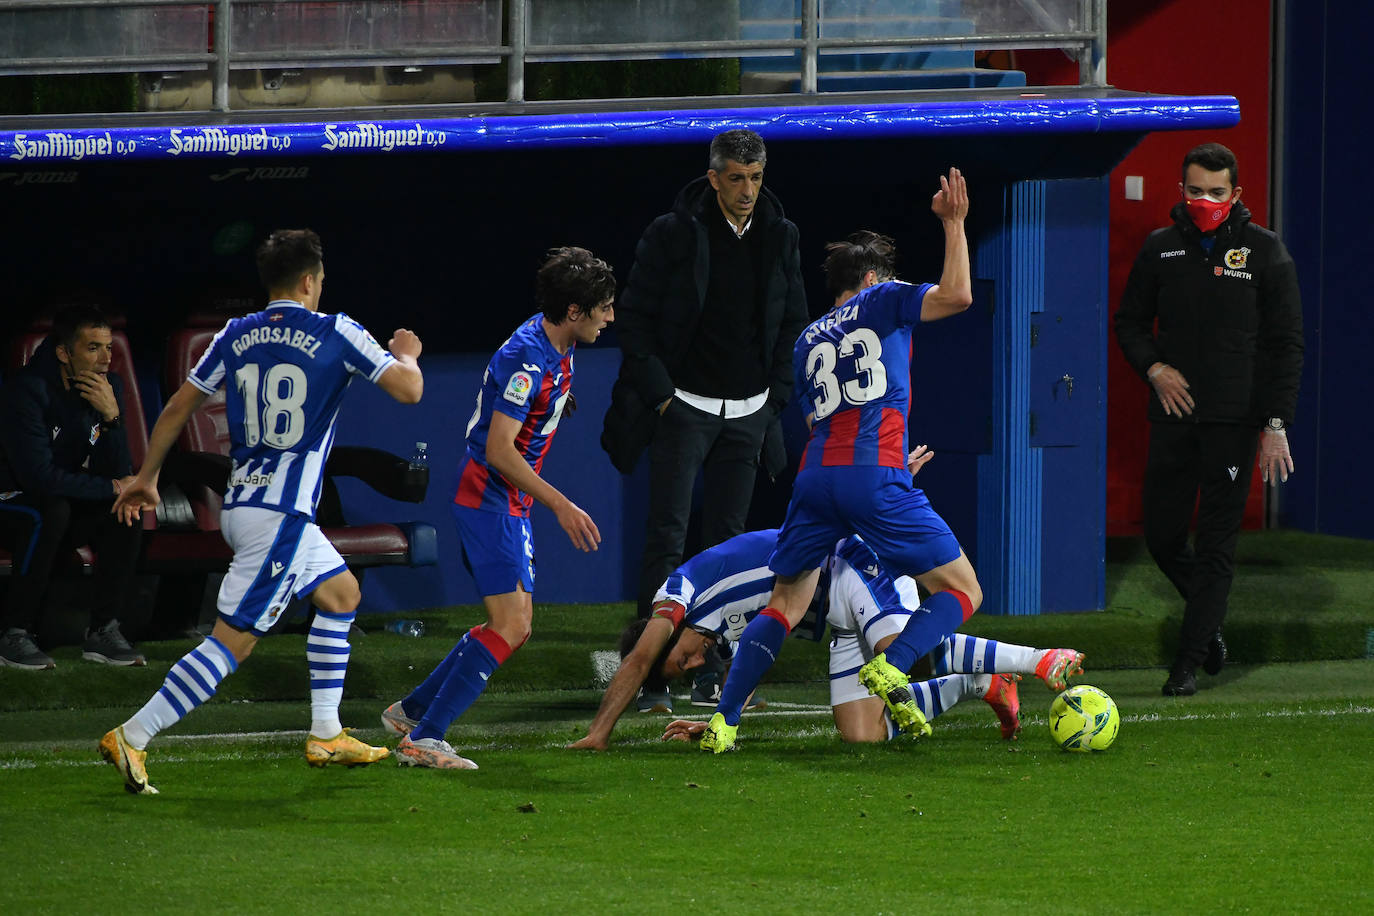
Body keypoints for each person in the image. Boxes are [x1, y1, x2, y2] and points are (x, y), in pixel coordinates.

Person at [99, 229, 424, 794]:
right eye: (320, 280)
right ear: (309, 280)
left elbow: (179, 405)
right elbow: (409, 392)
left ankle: (326, 732)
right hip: (280, 517)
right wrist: (407, 356)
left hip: (246, 502)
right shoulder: (337, 331)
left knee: (341, 594)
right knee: (233, 642)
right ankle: (133, 734)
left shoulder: (236, 333)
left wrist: (148, 475)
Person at [698, 170, 979, 754]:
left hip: (816, 477)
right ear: (873, 278)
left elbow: (815, 423)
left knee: (785, 601)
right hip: (872, 473)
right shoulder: (883, 298)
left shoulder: (805, 341)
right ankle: (895, 663)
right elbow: (957, 295)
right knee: (963, 588)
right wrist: (953, 223)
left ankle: (724, 721)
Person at [566, 502, 1083, 751]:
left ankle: (1037, 660)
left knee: (900, 651)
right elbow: (757, 657)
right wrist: (718, 718)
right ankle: (981, 683)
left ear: (664, 637)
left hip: (851, 566)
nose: (697, 661)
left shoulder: (678, 594)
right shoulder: (716, 628)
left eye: (683, 659)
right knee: (863, 734)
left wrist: (598, 733)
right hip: (837, 616)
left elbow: (638, 659)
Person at [381, 246, 615, 770]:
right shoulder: (527, 360)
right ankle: (425, 736)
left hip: (504, 500)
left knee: (515, 623)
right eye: (603, 306)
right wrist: (561, 504)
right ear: (574, 311)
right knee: (510, 625)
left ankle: (411, 711)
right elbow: (498, 450)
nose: (610, 316)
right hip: (490, 498)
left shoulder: (553, 339)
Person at [602, 128, 809, 711]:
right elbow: (635, 321)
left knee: (730, 550)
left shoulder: (781, 236)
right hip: (684, 409)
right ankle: (649, 680)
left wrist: (774, 401)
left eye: (757, 178)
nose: (748, 190)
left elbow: (793, 319)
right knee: (667, 541)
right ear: (714, 177)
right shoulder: (672, 235)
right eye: (737, 178)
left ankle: (712, 673)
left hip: (749, 415)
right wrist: (666, 398)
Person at [1114, 142, 1304, 697]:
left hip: (1235, 423)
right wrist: (1154, 368)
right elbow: (1128, 322)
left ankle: (1187, 665)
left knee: (1218, 541)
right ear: (1181, 191)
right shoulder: (1160, 249)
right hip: (1173, 418)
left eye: (1216, 193)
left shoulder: (1266, 251)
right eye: (1195, 191)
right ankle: (1209, 622)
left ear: (1236, 194)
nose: (1205, 201)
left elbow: (1286, 345)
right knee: (1163, 535)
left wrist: (1275, 424)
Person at [0, 304, 144, 670]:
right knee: (49, 509)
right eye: (93, 348)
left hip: (57, 498)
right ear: (65, 352)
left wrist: (112, 418)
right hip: (11, 498)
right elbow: (38, 477)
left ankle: (104, 630)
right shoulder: (26, 390)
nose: (105, 359)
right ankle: (14, 632)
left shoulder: (107, 388)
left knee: (125, 507)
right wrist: (113, 484)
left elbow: (120, 469)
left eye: (109, 348)